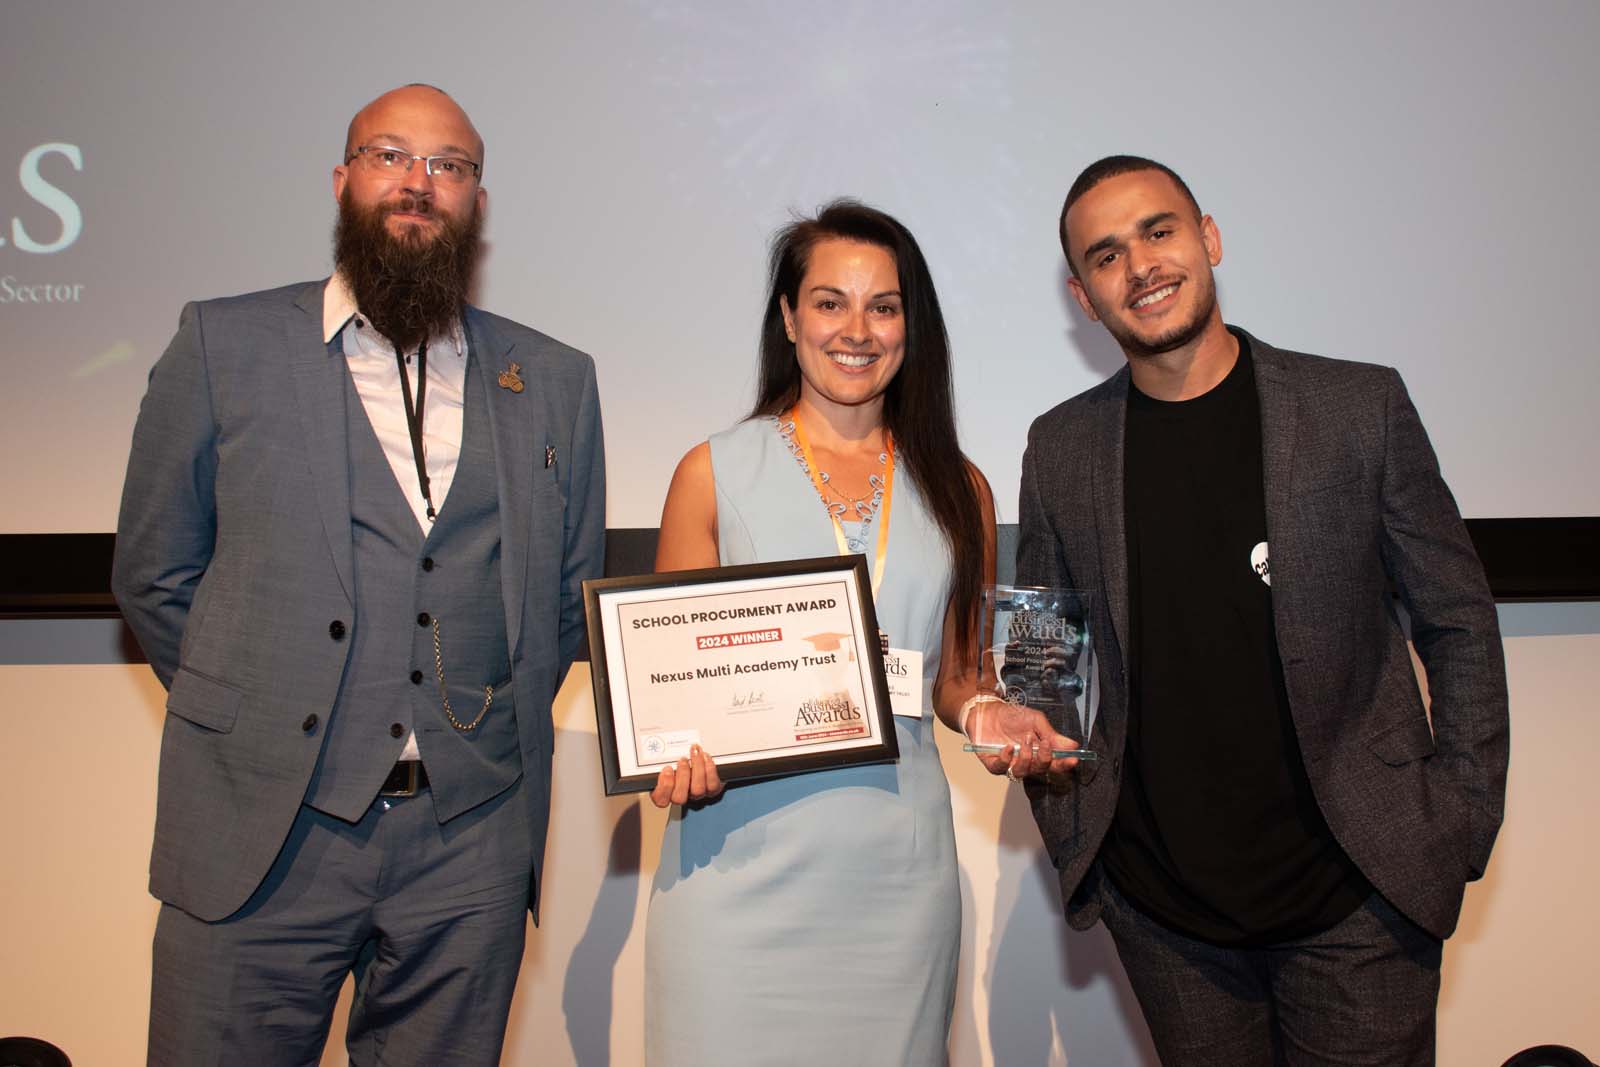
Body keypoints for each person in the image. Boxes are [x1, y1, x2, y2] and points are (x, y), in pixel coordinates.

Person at [111, 84, 605, 1065]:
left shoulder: (553, 377)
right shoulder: (223, 344)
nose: (419, 183)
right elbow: (153, 573)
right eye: (391, 156)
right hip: (263, 831)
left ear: (476, 202)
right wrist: (252, 712)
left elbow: (564, 600)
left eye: (448, 166)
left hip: (470, 844)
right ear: (343, 180)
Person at [1019, 155, 1509, 1065]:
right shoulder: (1058, 448)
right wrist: (1082, 836)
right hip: (1164, 916)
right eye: (1107, 255)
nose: (1141, 266)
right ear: (1084, 296)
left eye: (1160, 231)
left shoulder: (1358, 407)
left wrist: (1460, 817)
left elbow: (1459, 618)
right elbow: (1046, 665)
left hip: (1361, 904)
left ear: (1208, 238)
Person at [642, 200, 1078, 1065]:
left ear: (911, 326)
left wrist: (987, 711)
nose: (856, 330)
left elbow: (959, 676)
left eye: (883, 306)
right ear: (788, 317)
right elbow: (665, 687)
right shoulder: (712, 472)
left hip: (898, 885)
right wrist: (668, 750)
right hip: (733, 878)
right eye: (829, 302)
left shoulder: (960, 487)